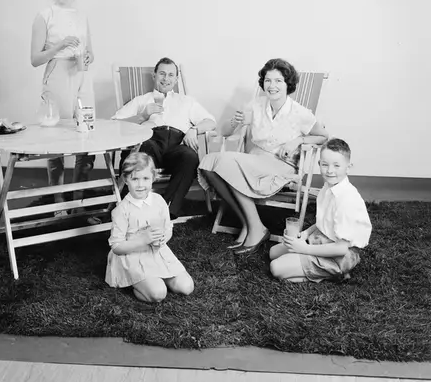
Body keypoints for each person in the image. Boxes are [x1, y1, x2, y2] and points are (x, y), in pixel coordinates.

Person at [199, 58, 329, 256]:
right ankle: (251, 224)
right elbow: (224, 132)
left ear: (287, 84)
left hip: (280, 164)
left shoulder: (299, 113)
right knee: (209, 164)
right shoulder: (255, 105)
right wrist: (235, 121)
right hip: (254, 160)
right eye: (268, 80)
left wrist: (299, 140)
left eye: (278, 81)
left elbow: (324, 136)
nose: (272, 85)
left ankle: (254, 228)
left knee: (227, 164)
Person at [113, 57, 216, 219]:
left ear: (176, 79)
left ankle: (167, 209)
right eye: (162, 74)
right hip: (150, 142)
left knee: (189, 155)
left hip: (177, 145)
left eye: (170, 75)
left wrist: (194, 129)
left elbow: (211, 121)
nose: (166, 78)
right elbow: (114, 124)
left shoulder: (186, 101)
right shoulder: (141, 100)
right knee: (142, 150)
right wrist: (142, 116)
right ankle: (134, 208)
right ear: (154, 76)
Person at [30, 0, 95, 215]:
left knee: (86, 133)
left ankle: (78, 202)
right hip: (57, 73)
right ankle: (58, 203)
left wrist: (88, 56)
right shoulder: (44, 16)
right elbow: (35, 59)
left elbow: (90, 52)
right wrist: (59, 45)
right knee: (56, 137)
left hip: (81, 74)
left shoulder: (81, 16)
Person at [269, 138, 372, 283]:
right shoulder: (327, 187)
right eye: (325, 164)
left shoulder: (347, 200)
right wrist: (305, 233)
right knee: (273, 253)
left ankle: (336, 273)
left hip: (340, 255)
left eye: (337, 165)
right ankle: (304, 260)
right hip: (323, 239)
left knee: (276, 268)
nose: (330, 171)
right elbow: (324, 222)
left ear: (348, 167)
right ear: (319, 164)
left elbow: (341, 249)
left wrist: (304, 249)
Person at [105, 152, 194, 302]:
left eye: (145, 178)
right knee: (158, 294)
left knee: (186, 287)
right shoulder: (121, 210)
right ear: (126, 180)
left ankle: (156, 276)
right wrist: (143, 240)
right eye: (135, 179)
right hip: (132, 256)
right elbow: (117, 247)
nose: (140, 185)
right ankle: (137, 283)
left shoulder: (159, 201)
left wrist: (163, 238)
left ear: (153, 178)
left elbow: (167, 228)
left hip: (156, 252)